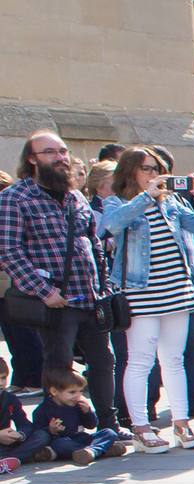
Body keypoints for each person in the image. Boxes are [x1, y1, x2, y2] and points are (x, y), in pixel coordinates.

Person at [1, 132, 121, 441]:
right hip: (55, 300)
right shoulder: (15, 197)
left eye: (63, 151)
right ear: (32, 159)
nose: (60, 157)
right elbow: (9, 251)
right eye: (50, 152)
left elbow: (94, 242)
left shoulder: (76, 195)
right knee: (58, 364)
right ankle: (56, 427)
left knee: (103, 360)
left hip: (91, 296)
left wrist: (103, 284)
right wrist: (45, 292)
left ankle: (108, 423)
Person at [98, 146, 194, 452]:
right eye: (147, 168)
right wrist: (145, 197)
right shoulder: (118, 201)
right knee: (140, 361)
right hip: (140, 293)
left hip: (176, 290)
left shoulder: (172, 201)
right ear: (131, 171)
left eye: (157, 168)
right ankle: (140, 427)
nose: (154, 174)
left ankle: (181, 422)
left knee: (174, 360)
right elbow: (110, 226)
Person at [26, 367, 130, 466]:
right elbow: (38, 432)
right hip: (62, 441)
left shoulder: (77, 405)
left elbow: (91, 425)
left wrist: (87, 412)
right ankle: (99, 450)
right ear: (54, 391)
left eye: (80, 391)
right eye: (72, 392)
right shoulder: (43, 410)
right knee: (61, 445)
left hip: (81, 438)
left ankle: (92, 451)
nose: (78, 395)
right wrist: (50, 429)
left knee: (109, 432)